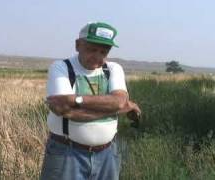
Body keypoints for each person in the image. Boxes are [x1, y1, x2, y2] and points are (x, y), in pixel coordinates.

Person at [40, 22, 141, 180]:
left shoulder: (113, 69)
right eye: (92, 49)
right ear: (78, 45)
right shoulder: (61, 68)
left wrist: (76, 100)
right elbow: (64, 110)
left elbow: (119, 101)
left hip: (108, 154)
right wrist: (116, 108)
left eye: (103, 51)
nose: (98, 57)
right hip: (67, 153)